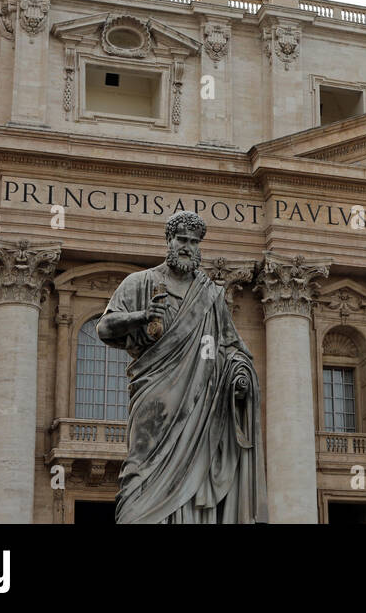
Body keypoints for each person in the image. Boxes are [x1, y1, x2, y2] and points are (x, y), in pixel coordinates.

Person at [97, 211, 266, 523]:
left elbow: (229, 346)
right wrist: (141, 316)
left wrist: (239, 375)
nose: (187, 246)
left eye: (193, 241)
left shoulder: (212, 296)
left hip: (201, 403)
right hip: (154, 398)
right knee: (139, 472)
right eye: (181, 239)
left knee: (195, 475)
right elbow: (105, 328)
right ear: (168, 241)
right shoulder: (141, 283)